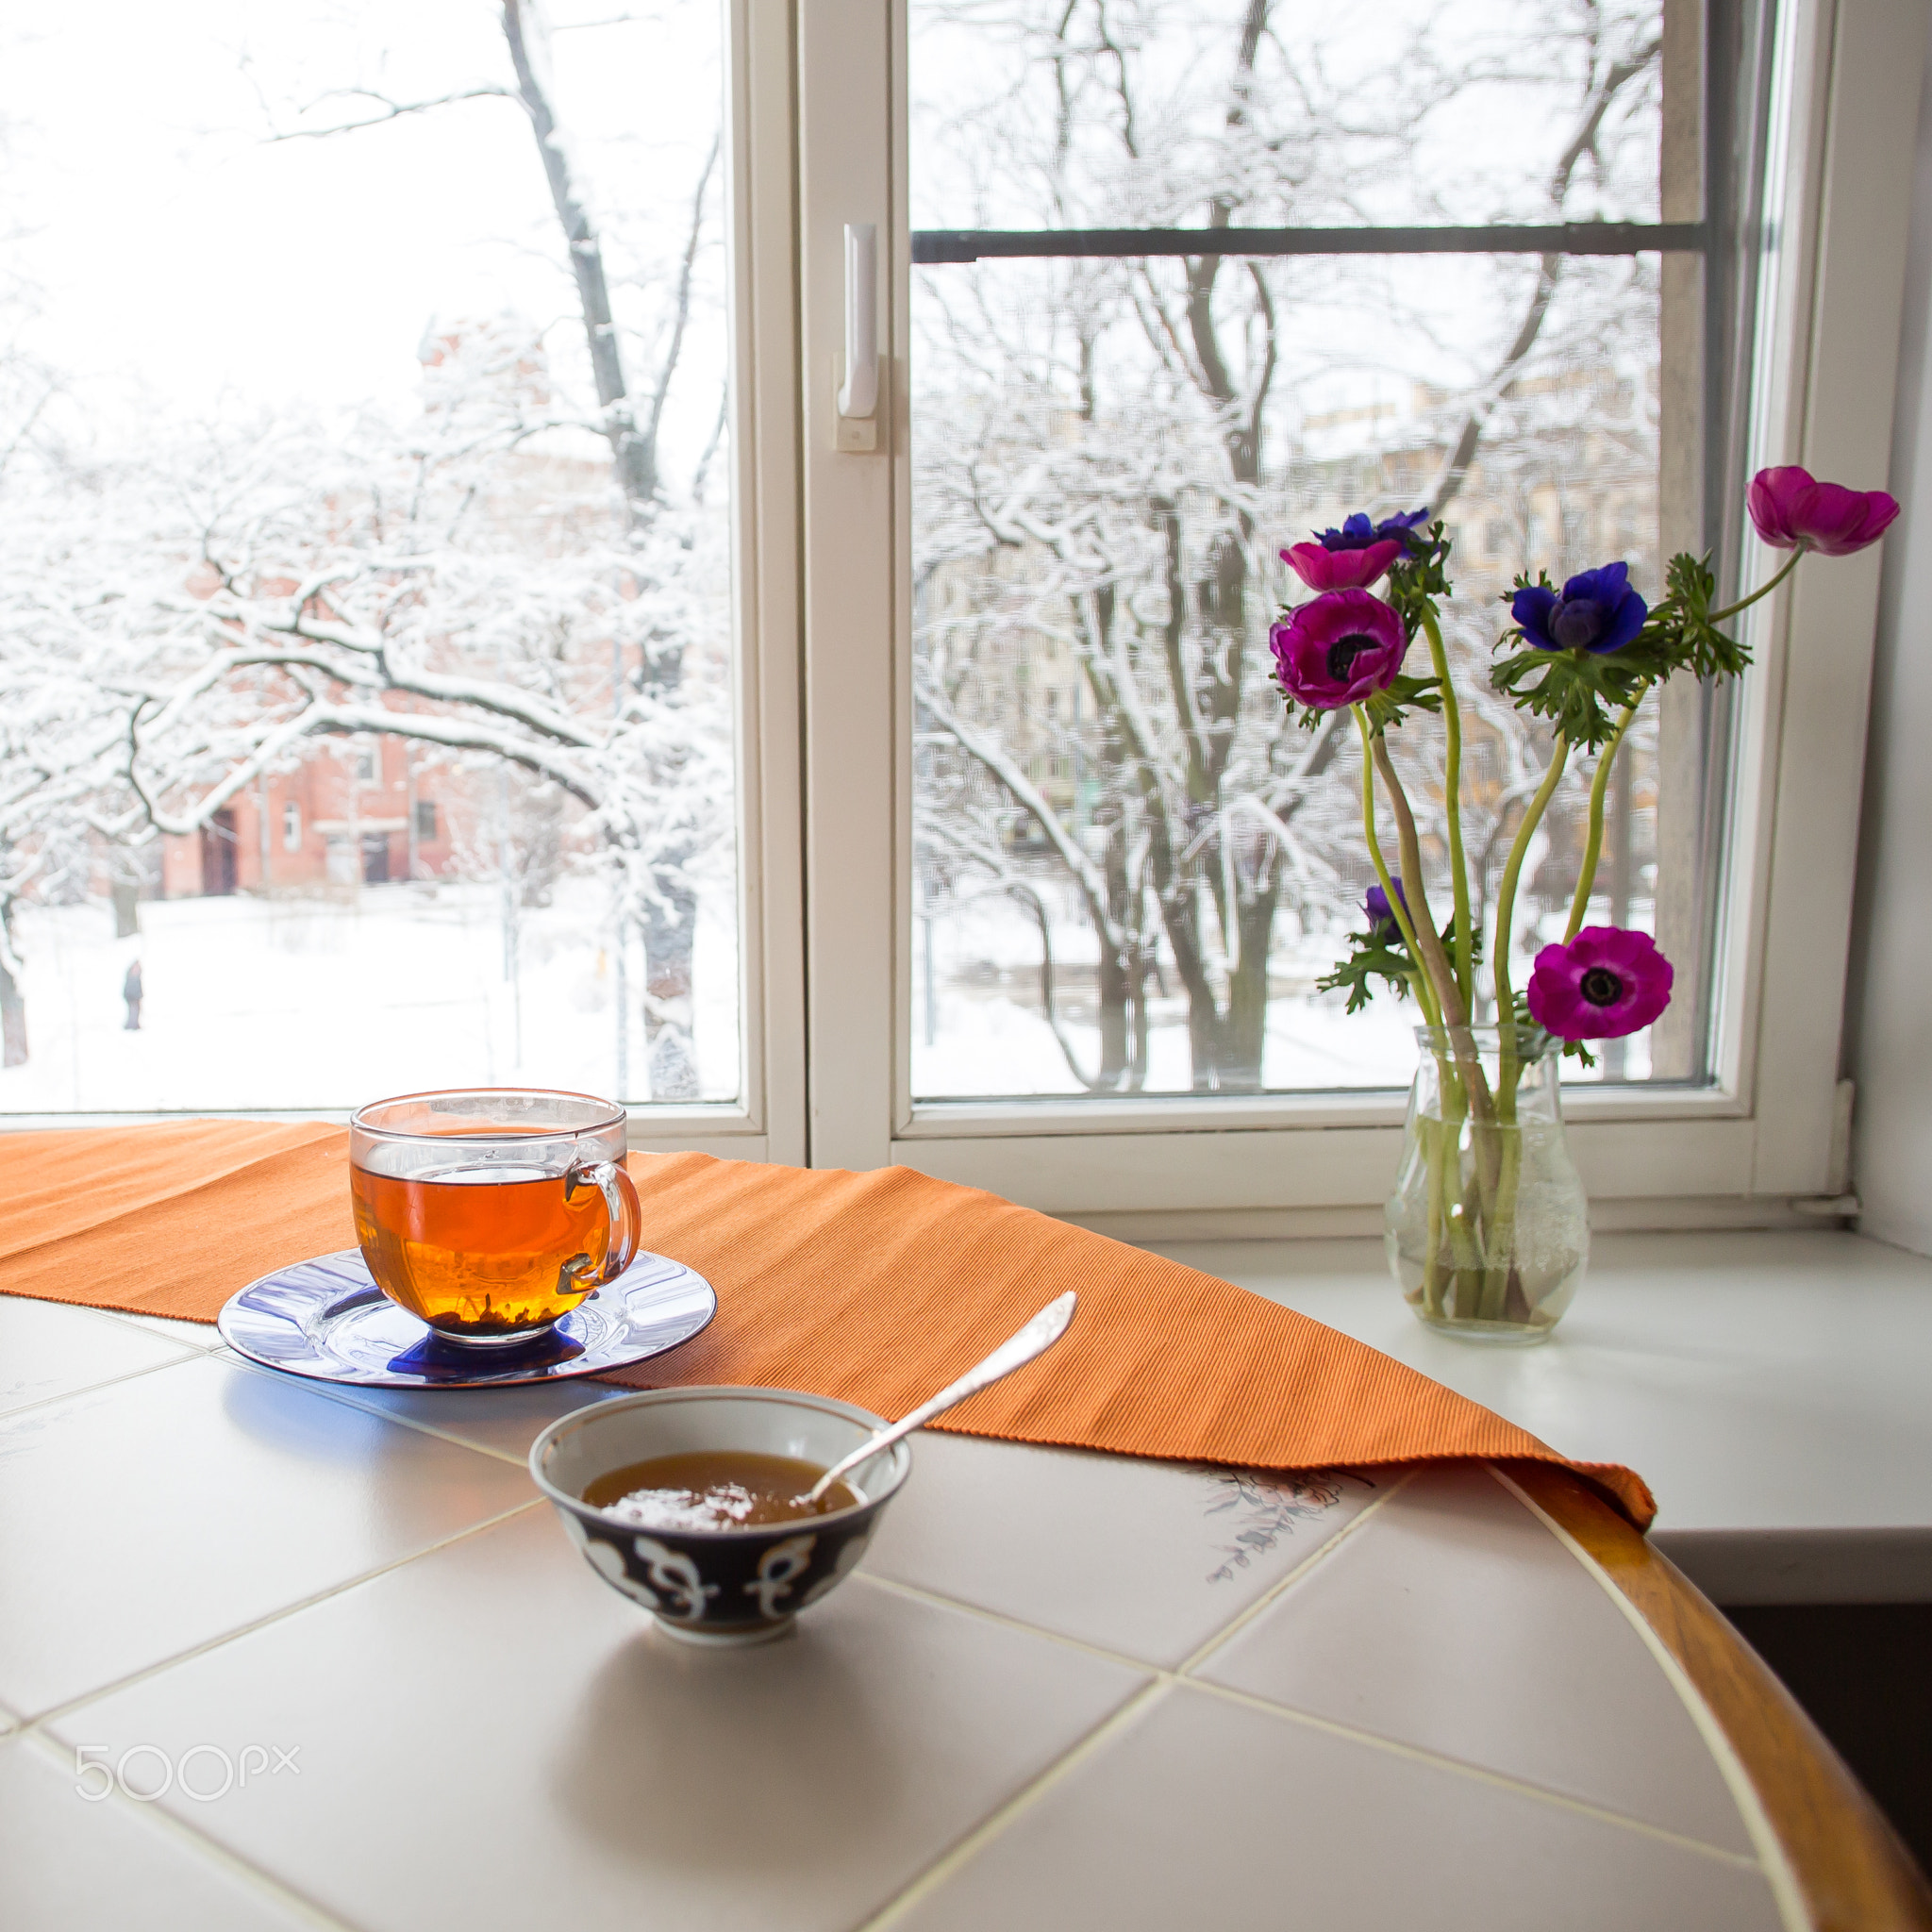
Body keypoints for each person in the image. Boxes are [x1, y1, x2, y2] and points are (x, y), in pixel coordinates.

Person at [123, 958, 143, 1032]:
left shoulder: (137, 976)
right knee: (133, 1012)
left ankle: (135, 1025)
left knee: (137, 1011)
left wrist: (140, 995)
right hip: (131, 998)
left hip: (136, 997)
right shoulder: (131, 976)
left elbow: (139, 988)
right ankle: (130, 1026)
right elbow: (128, 989)